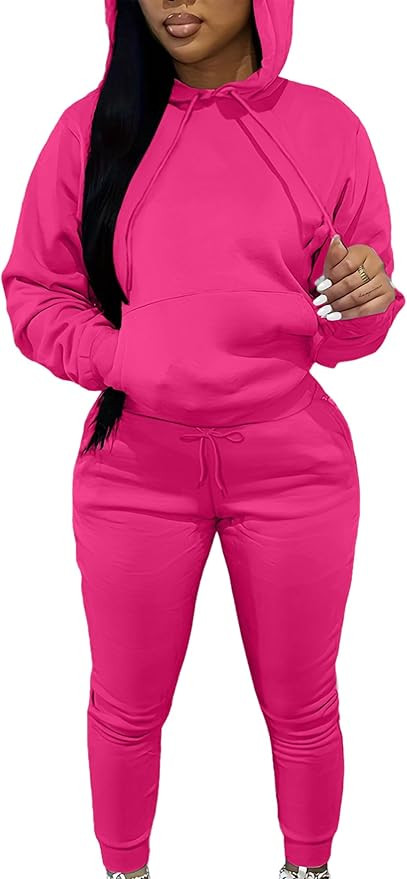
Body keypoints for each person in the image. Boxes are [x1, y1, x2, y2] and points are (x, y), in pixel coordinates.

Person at [2, 0, 405, 877]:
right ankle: (125, 870)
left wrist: (364, 300)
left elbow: (351, 329)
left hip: (294, 467)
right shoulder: (89, 131)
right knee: (125, 707)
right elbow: (34, 292)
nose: (173, 1)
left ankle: (308, 867)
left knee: (303, 705)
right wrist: (127, 356)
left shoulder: (327, 128)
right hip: (134, 469)